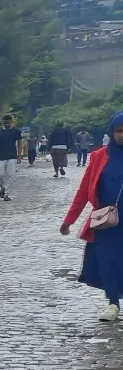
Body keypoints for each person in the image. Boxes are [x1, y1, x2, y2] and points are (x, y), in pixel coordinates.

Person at [60, 111, 123, 322]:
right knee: (107, 260)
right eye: (119, 131)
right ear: (112, 132)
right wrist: (69, 220)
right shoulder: (99, 157)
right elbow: (84, 190)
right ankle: (113, 302)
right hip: (106, 221)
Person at [0, 114, 21, 199]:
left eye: (8, 123)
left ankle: (6, 194)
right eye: (5, 123)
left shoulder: (16, 131)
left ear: (11, 122)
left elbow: (20, 143)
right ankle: (3, 187)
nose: (6, 125)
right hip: (0, 156)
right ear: (3, 122)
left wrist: (19, 156)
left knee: (10, 176)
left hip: (12, 156)